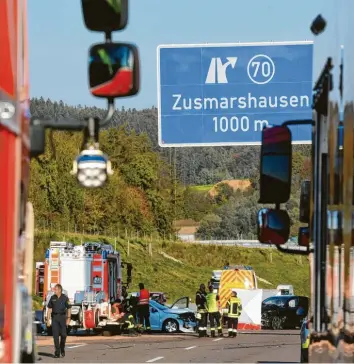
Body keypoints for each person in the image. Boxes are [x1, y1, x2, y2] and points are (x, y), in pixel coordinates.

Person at [46, 284, 71, 358]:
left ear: (60, 290)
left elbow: (69, 308)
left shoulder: (65, 298)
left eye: (56, 289)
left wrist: (68, 318)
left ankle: (62, 348)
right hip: (55, 318)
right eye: (54, 289)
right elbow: (49, 309)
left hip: (63, 318)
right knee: (55, 336)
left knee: (64, 335)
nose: (54, 291)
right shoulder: (52, 297)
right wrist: (48, 320)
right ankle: (57, 352)